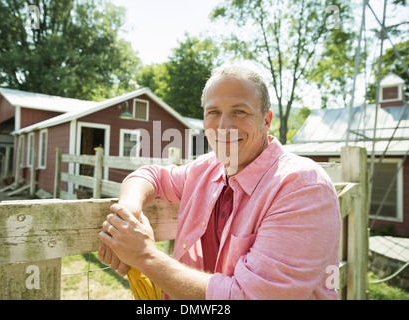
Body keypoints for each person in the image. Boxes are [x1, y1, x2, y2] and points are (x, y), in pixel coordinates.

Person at [98, 63, 341, 300]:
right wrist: (127, 217)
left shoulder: (303, 186)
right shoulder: (206, 169)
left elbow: (250, 296)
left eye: (239, 111)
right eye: (213, 112)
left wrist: (144, 255)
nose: (224, 127)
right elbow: (150, 175)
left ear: (266, 120)